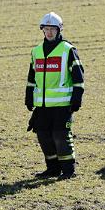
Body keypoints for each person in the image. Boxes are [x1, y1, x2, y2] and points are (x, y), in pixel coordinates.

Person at [26, 12, 84, 179]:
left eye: (53, 29)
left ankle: (68, 169)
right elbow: (31, 77)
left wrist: (76, 99)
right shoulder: (36, 51)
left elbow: (78, 77)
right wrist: (29, 97)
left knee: (60, 137)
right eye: (46, 29)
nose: (49, 32)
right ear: (42, 30)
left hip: (62, 105)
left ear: (59, 30)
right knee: (43, 136)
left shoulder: (68, 50)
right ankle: (52, 169)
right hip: (42, 106)